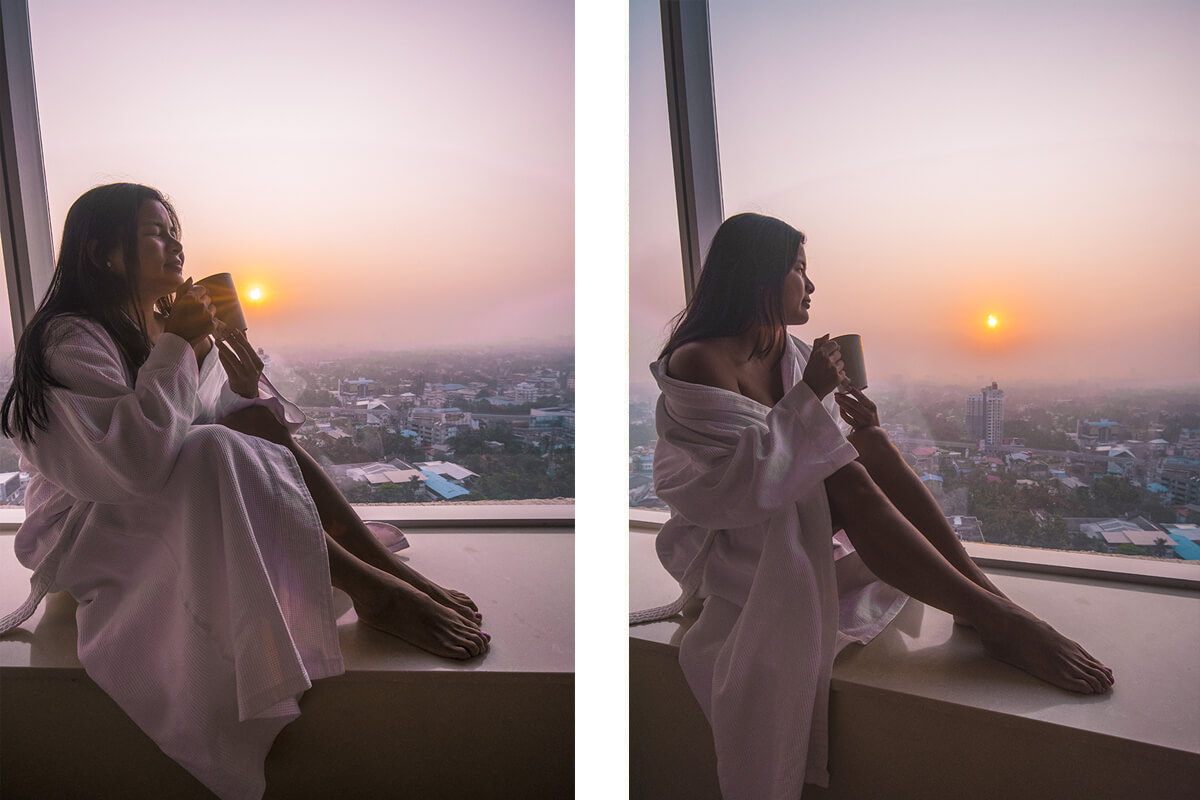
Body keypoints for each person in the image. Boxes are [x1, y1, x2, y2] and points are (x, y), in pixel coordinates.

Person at [0, 183, 489, 799]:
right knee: (219, 449)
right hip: (82, 530)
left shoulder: (141, 330)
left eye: (176, 231)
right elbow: (138, 459)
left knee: (250, 426)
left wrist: (231, 359)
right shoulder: (68, 338)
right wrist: (181, 343)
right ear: (103, 252)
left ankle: (384, 568)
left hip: (137, 507)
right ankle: (375, 592)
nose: (176, 244)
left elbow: (207, 418)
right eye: (156, 232)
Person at [641, 212, 1113, 799]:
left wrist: (846, 418)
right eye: (799, 272)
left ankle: (984, 600)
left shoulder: (785, 351)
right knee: (851, 477)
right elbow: (729, 486)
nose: (811, 288)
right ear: (761, 278)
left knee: (875, 445)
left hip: (795, 510)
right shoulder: (699, 360)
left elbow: (807, 443)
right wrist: (812, 396)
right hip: (741, 541)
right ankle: (1004, 623)